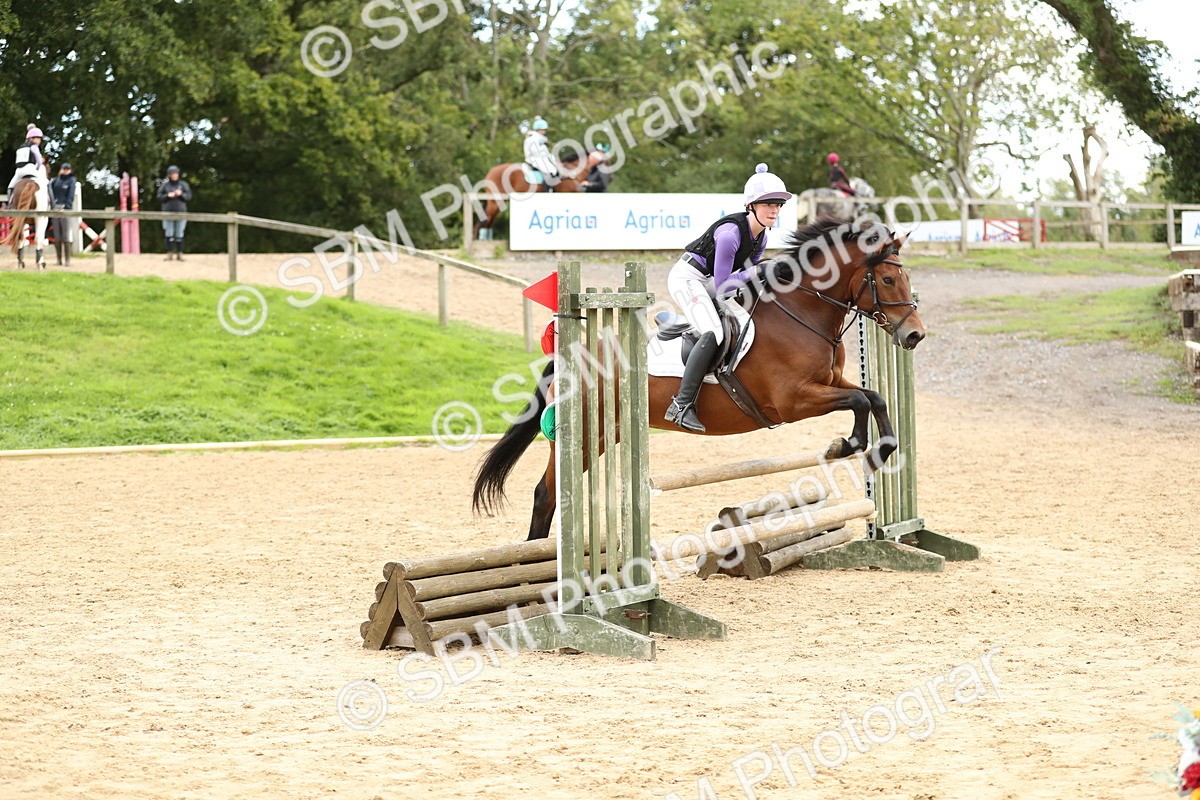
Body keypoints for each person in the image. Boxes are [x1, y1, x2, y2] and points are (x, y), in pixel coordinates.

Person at [664, 163, 791, 432]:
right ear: (751, 206)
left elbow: (746, 279)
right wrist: (759, 270)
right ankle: (682, 405)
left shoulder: (762, 238)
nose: (774, 210)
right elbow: (723, 285)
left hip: (709, 281)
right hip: (687, 279)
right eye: (768, 204)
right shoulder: (730, 234)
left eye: (778, 205)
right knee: (714, 331)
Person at [157, 165, 192, 260]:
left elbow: (189, 197)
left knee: (179, 233)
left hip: (181, 212)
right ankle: (169, 253)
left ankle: (180, 253)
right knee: (169, 233)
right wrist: (168, 195)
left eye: (176, 173)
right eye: (173, 174)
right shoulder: (165, 186)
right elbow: (159, 197)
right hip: (168, 212)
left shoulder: (184, 185)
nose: (175, 175)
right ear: (169, 175)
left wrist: (181, 194)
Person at [49, 163, 77, 267]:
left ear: (70, 170)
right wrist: (53, 205)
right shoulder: (55, 181)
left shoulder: (72, 180)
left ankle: (67, 260)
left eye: (67, 169)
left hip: (65, 209)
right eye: (64, 169)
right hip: (55, 208)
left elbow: (71, 195)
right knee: (57, 235)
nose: (65, 171)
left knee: (65, 235)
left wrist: (66, 207)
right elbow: (50, 192)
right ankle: (58, 259)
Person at [8, 124, 49, 195]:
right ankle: (53, 203)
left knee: (10, 187)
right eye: (38, 138)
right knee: (47, 183)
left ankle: (9, 203)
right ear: (31, 138)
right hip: (30, 169)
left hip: (18, 171)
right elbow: (39, 161)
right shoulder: (34, 147)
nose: (39, 140)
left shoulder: (21, 147)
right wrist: (37, 168)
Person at [523, 117, 559, 189]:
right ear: (539, 129)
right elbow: (535, 151)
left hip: (540, 158)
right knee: (551, 171)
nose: (544, 131)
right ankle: (547, 191)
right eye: (543, 130)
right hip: (535, 159)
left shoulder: (539, 138)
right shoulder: (533, 138)